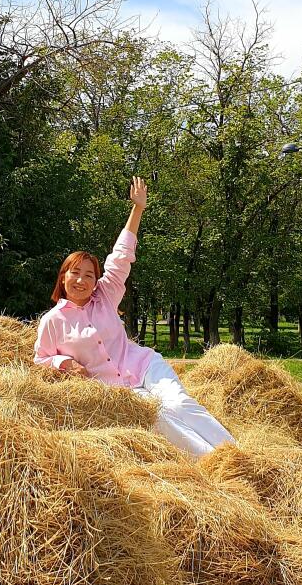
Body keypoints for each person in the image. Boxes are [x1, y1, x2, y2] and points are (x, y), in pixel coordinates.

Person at [34, 177, 235, 458]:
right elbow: (41, 359)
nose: (81, 280)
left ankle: (236, 453)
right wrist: (64, 362)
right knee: (161, 419)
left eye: (89, 275)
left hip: (144, 366)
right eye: (75, 273)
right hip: (118, 390)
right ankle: (215, 462)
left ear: (96, 281)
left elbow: (120, 257)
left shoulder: (105, 295)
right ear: (63, 277)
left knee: (179, 404)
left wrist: (137, 209)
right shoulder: (52, 322)